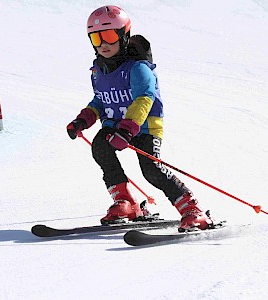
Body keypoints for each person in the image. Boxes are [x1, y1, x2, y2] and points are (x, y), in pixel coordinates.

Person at [66, 5, 213, 231]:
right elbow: (100, 101)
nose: (103, 44)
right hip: (115, 126)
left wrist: (127, 129)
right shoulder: (98, 70)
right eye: (96, 38)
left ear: (124, 35)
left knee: (151, 169)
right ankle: (126, 203)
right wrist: (82, 120)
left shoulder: (138, 68)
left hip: (143, 128)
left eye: (108, 36)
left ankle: (192, 209)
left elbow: (145, 99)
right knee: (100, 147)